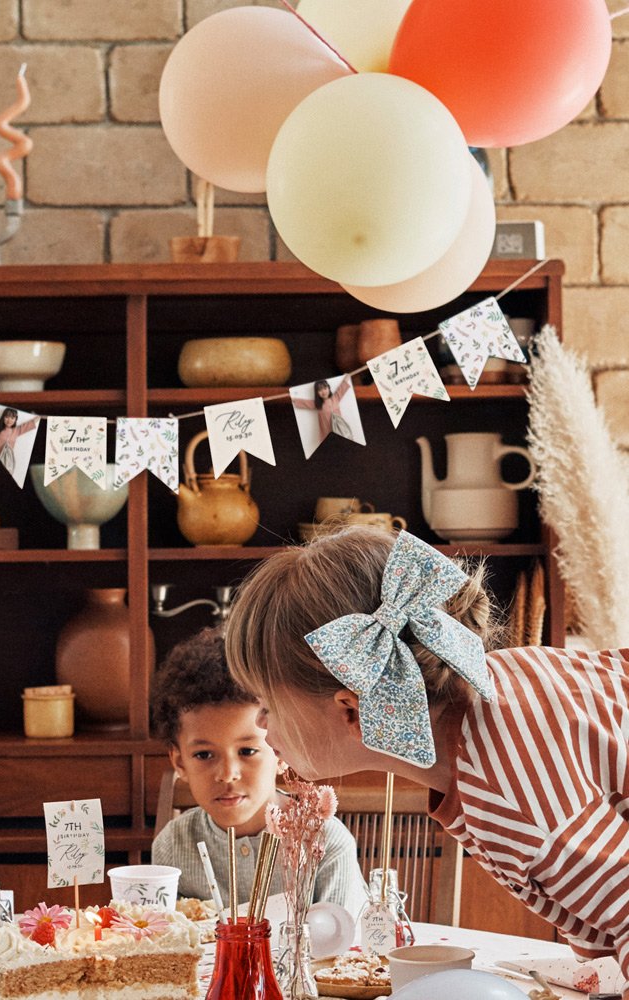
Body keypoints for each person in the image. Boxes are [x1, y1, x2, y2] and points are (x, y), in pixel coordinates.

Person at [224, 526, 629, 992]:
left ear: (350, 707)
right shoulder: (492, 709)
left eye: (266, 704)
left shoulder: (506, 785)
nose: (258, 724)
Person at [150, 627, 368, 915]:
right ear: (180, 763)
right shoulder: (172, 845)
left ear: (280, 750)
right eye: (204, 754)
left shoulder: (324, 841)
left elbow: (341, 950)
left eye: (247, 751)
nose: (227, 774)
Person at [0, 406, 38, 475]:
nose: (9, 420)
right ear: (3, 417)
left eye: (12, 418)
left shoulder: (17, 431)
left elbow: (31, 423)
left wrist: (40, 416)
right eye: (7, 417)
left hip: (4, 462)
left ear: (15, 419)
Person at [291, 375, 354, 442]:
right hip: (327, 433)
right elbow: (304, 403)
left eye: (325, 388)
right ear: (317, 393)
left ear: (329, 388)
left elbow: (343, 385)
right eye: (320, 390)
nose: (323, 392)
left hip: (340, 430)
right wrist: (292, 398)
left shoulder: (336, 398)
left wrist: (348, 375)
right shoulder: (317, 404)